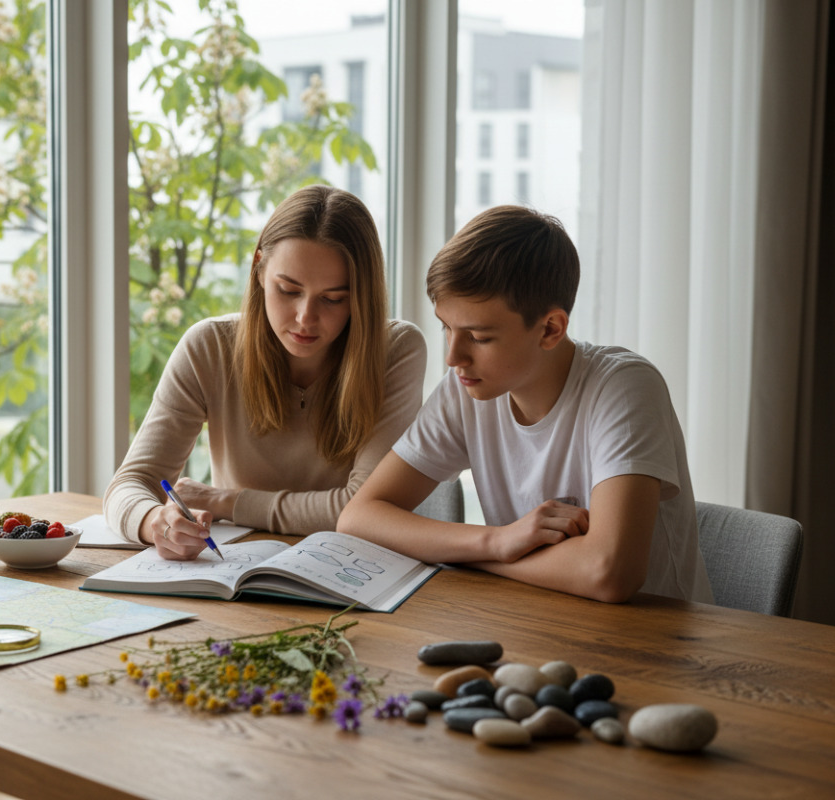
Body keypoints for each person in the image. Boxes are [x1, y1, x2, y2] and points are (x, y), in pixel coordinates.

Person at [337, 205, 713, 603]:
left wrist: (469, 556)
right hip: (535, 622)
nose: (453, 357)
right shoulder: (464, 388)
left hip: (652, 642)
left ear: (550, 329)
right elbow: (359, 517)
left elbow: (609, 572)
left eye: (479, 337)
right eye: (446, 327)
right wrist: (495, 542)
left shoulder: (624, 388)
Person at [104, 185, 427, 560]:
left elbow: (362, 510)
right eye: (288, 290)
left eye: (333, 298)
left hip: (353, 572)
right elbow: (130, 483)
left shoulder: (396, 350)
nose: (305, 318)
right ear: (259, 269)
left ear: (361, 295)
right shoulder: (209, 347)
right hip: (236, 571)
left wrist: (225, 501)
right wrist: (154, 521)